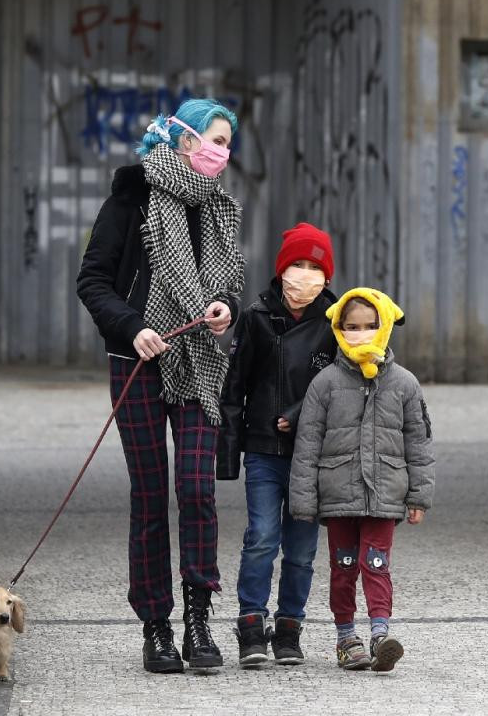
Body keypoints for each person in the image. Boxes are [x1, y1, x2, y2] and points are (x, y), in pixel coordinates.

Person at [77, 99, 245, 673]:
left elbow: (228, 285)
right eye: (214, 139)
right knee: (150, 497)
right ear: (182, 138)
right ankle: (156, 627)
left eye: (228, 142)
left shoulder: (220, 211)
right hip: (138, 361)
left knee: (197, 490)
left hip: (199, 362)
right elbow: (93, 280)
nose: (222, 151)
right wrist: (134, 327)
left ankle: (199, 620)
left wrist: (226, 308)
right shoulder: (131, 198)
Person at [288, 288, 435, 672]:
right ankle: (346, 637)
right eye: (352, 327)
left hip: (385, 493)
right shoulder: (325, 383)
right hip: (338, 495)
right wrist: (303, 500)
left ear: (385, 327)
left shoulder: (404, 384)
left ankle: (380, 635)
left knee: (377, 563)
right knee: (344, 566)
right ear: (338, 329)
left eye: (370, 326)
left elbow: (418, 442)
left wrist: (418, 495)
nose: (361, 333)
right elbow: (307, 444)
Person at [217, 223, 338, 667]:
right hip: (265, 449)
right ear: (281, 269)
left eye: (314, 267)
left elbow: (343, 384)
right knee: (262, 538)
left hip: (313, 454)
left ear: (327, 275)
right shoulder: (256, 317)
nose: (304, 275)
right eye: (296, 265)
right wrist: (228, 455)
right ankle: (251, 624)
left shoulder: (336, 320)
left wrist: (303, 413)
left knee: (303, 549)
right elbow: (235, 388)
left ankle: (289, 627)